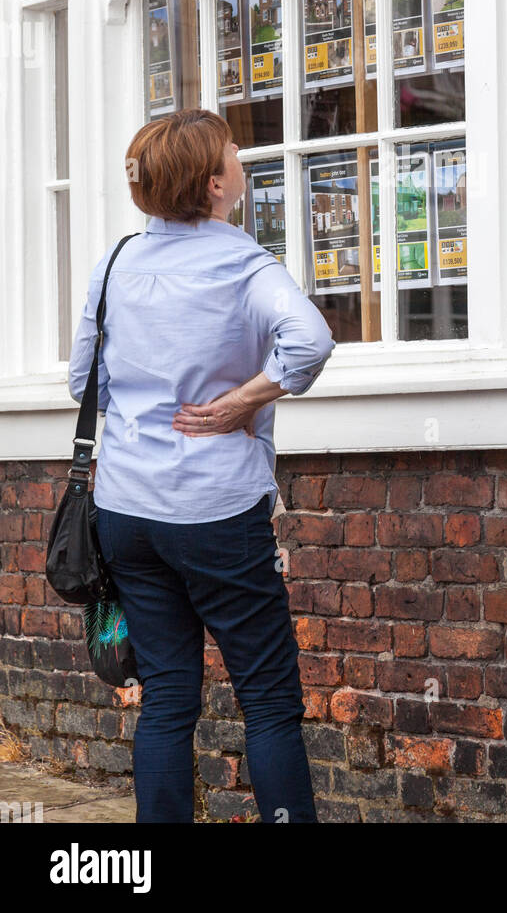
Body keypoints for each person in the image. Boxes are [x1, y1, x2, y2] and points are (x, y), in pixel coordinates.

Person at [67, 109, 335, 824]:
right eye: (232, 153)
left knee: (168, 701)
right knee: (271, 703)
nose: (242, 157)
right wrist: (237, 403)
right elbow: (309, 342)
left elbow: (80, 384)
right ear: (214, 184)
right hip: (214, 512)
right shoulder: (244, 262)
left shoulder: (116, 263)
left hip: (127, 514)